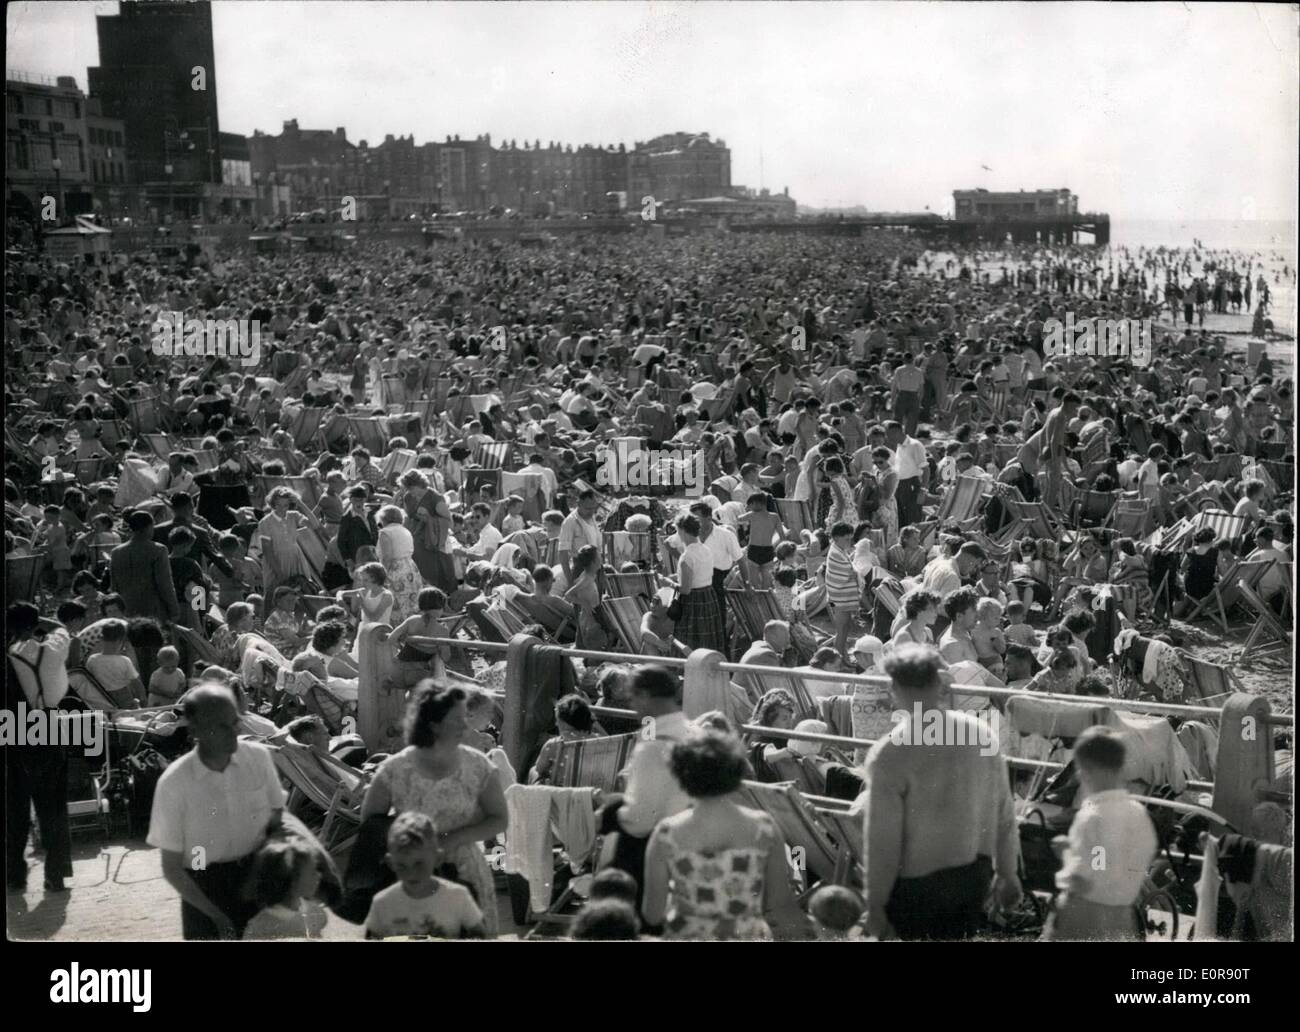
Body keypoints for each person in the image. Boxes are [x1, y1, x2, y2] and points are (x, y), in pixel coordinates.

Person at [855, 644, 1021, 940]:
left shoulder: (890, 754)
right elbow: (1005, 815)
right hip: (972, 875)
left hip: (915, 885)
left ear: (894, 688)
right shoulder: (980, 735)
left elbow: (882, 840)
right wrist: (1007, 874)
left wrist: (875, 903)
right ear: (939, 683)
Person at [360, 683, 508, 937]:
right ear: (433, 724)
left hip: (466, 872)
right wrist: (411, 846)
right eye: (457, 719)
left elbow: (500, 819)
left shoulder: (478, 765)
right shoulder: (395, 769)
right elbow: (371, 823)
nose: (465, 725)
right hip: (411, 876)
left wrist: (454, 839)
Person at [147, 683, 287, 939]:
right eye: (222, 726)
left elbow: (277, 817)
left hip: (256, 876)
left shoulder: (258, 758)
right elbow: (172, 867)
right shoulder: (174, 783)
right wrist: (214, 915)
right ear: (196, 729)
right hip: (202, 885)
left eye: (235, 722)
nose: (235, 731)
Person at [642, 733, 810, 939]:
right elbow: (780, 903)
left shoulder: (667, 833)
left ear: (682, 776)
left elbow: (652, 915)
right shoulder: (764, 827)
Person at [1043, 727, 1157, 942]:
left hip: (1086, 915)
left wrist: (1067, 852)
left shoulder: (1093, 817)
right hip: (1123, 916)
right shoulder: (1138, 813)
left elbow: (1094, 873)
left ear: (1086, 771)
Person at [607, 664, 696, 912]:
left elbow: (640, 820)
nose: (632, 705)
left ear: (645, 696)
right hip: (693, 840)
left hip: (657, 849)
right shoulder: (696, 732)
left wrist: (611, 814)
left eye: (633, 697)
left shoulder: (653, 746)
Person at [6, 603, 73, 893]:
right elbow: (61, 629)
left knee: (15, 807)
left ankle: (15, 875)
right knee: (53, 807)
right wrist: (39, 619)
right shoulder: (54, 648)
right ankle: (55, 875)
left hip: (14, 727)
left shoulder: (11, 655)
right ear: (35, 625)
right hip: (50, 723)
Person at [364, 811, 487, 940]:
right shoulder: (382, 903)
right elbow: (372, 936)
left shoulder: (458, 896)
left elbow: (478, 934)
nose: (411, 874)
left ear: (437, 858)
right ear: (390, 863)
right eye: (402, 865)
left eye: (419, 864)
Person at [242, 838, 327, 940]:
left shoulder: (314, 910)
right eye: (312, 872)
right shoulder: (261, 930)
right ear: (292, 881)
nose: (319, 876)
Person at [109, 509, 180, 626]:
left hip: (127, 609)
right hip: (153, 610)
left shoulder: (116, 552)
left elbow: (114, 586)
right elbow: (165, 584)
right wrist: (174, 610)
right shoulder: (158, 550)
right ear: (148, 527)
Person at [672, 513, 728, 655]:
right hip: (708, 597)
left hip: (693, 602)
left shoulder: (687, 556)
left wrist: (667, 582)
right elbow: (700, 574)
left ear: (683, 531)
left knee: (691, 643)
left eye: (678, 531)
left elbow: (685, 590)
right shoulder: (706, 550)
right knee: (708, 641)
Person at [375, 505, 424, 621]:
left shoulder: (385, 532)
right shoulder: (405, 530)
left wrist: (381, 575)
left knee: (396, 603)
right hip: (410, 567)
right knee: (411, 601)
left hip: (395, 570)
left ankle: (399, 631)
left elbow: (387, 556)